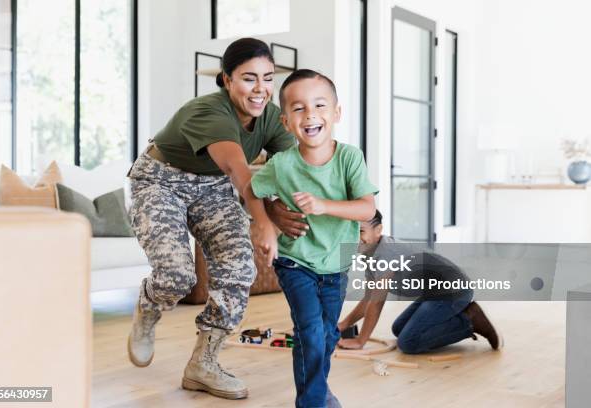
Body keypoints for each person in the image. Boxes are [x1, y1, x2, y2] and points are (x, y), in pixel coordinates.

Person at [126, 38, 298, 400]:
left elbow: (291, 167)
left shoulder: (269, 116)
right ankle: (148, 305)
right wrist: (264, 221)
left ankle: (203, 363)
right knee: (176, 276)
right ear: (226, 80)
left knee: (239, 267)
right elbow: (238, 168)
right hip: (161, 181)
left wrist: (288, 207)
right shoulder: (209, 111)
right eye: (248, 78)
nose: (260, 89)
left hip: (212, 188)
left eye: (268, 78)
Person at [244, 69, 378, 408]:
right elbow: (250, 190)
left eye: (319, 105)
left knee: (327, 334)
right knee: (310, 331)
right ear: (286, 121)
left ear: (336, 113)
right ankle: (313, 401)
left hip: (335, 265)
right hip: (295, 262)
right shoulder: (281, 164)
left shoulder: (349, 158)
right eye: (299, 108)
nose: (310, 114)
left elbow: (366, 209)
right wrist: (266, 222)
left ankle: (317, 390)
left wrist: (322, 205)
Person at [337, 210, 504, 354]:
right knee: (398, 329)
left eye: (360, 231)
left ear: (378, 230)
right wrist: (343, 325)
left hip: (452, 290)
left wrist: (361, 341)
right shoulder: (369, 254)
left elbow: (376, 303)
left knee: (408, 342)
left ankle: (469, 320)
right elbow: (368, 298)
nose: (355, 237)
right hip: (433, 293)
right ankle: (461, 312)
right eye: (350, 231)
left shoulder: (387, 253)